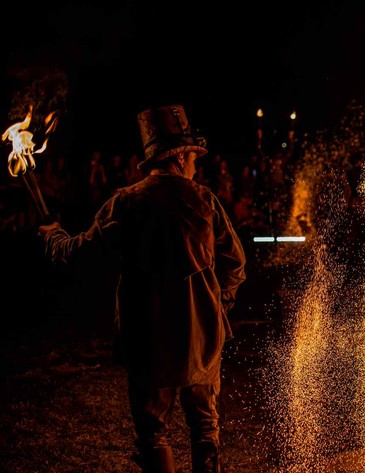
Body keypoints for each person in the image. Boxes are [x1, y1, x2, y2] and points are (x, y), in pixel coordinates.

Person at [37, 104, 247, 473]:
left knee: (153, 432)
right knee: (204, 426)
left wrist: (53, 236)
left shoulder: (128, 201)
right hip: (200, 338)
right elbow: (236, 263)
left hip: (150, 337)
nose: (196, 164)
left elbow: (79, 255)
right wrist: (217, 306)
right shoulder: (203, 200)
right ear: (180, 156)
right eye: (193, 157)